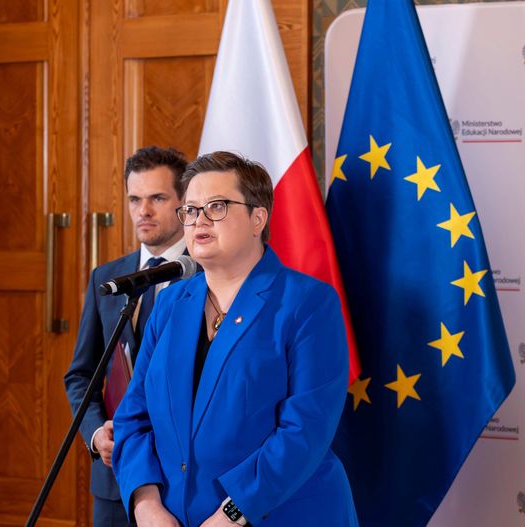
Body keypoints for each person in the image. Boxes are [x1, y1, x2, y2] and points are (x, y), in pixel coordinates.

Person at [111, 151, 358, 526]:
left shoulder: (308, 303)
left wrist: (232, 513)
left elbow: (305, 431)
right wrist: (146, 505)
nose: (199, 220)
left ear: (258, 218)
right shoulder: (170, 304)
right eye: (190, 210)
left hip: (283, 515)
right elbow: (133, 416)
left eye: (217, 206)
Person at [64, 146, 189, 526]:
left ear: (184, 203)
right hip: (113, 475)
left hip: (179, 477)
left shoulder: (209, 276)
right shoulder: (106, 277)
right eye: (135, 199)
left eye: (157, 198)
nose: (143, 211)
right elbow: (81, 374)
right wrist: (95, 434)